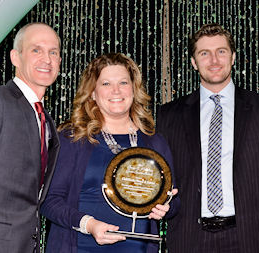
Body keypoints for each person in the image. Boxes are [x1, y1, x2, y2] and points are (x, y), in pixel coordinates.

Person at [157, 23, 259, 253]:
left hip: (250, 236)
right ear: (193, 62)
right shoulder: (169, 114)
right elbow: (162, 175)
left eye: (221, 51)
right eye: (204, 53)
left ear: (233, 57)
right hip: (189, 237)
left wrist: (258, 206)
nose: (214, 60)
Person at [40, 53, 179, 253]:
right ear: (93, 93)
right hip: (81, 247)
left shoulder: (155, 141)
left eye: (123, 82)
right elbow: (49, 201)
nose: (116, 90)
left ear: (134, 89)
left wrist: (166, 207)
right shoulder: (73, 137)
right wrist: (89, 224)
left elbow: (173, 200)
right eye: (105, 84)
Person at [0, 22, 61, 252]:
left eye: (54, 52)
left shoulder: (45, 119)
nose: (47, 59)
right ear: (15, 57)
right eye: (36, 50)